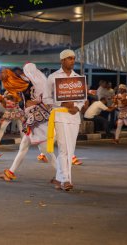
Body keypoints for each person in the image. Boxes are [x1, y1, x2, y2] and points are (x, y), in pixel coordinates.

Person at [0, 63, 56, 181]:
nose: (22, 74)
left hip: (37, 120)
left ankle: (62, 176)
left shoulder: (26, 81)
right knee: (23, 147)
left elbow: (10, 78)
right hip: (38, 118)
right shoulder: (43, 82)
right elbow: (48, 101)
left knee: (46, 150)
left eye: (24, 71)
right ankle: (10, 172)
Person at [43, 49, 87, 191]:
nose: (72, 61)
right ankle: (66, 180)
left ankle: (59, 178)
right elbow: (46, 98)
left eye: (73, 58)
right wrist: (62, 104)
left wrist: (78, 107)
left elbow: (82, 99)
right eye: (69, 58)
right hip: (60, 115)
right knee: (64, 149)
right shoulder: (53, 77)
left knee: (70, 150)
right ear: (62, 60)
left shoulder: (78, 78)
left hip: (74, 117)